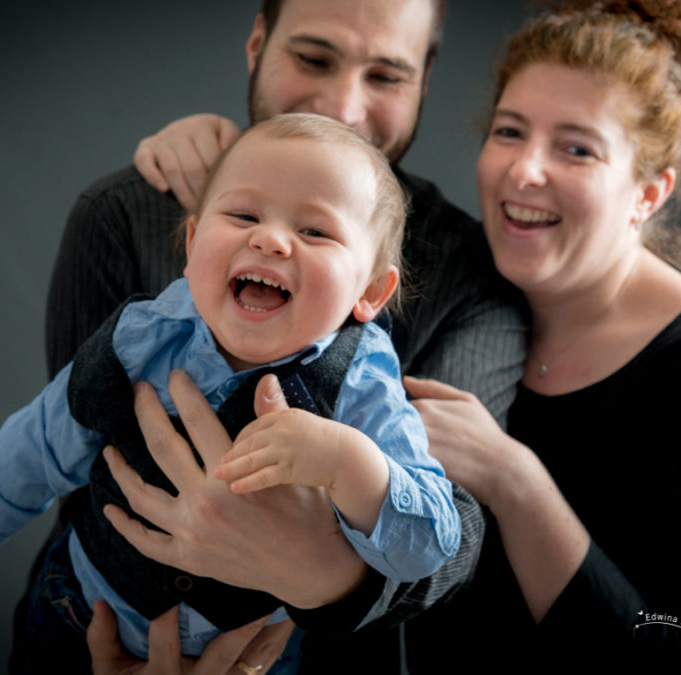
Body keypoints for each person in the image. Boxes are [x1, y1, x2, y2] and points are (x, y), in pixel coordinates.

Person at [32, 0, 527, 672]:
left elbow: (453, 534)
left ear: (424, 82)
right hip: (101, 638)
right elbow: (72, 454)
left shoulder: (470, 277)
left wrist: (321, 573)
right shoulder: (125, 213)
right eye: (313, 57)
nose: (341, 105)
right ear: (258, 44)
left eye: (386, 76)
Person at [0, 114, 463, 672]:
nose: (269, 238)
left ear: (372, 290)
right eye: (242, 215)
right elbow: (44, 436)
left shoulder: (363, 385)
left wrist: (349, 463)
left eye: (315, 231)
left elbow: (428, 544)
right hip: (84, 615)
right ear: (191, 243)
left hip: (247, 656)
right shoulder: (141, 337)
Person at [392, 0, 681, 671]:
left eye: (576, 148)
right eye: (509, 132)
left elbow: (680, 663)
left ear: (648, 193)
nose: (524, 170)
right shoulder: (457, 281)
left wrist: (516, 480)